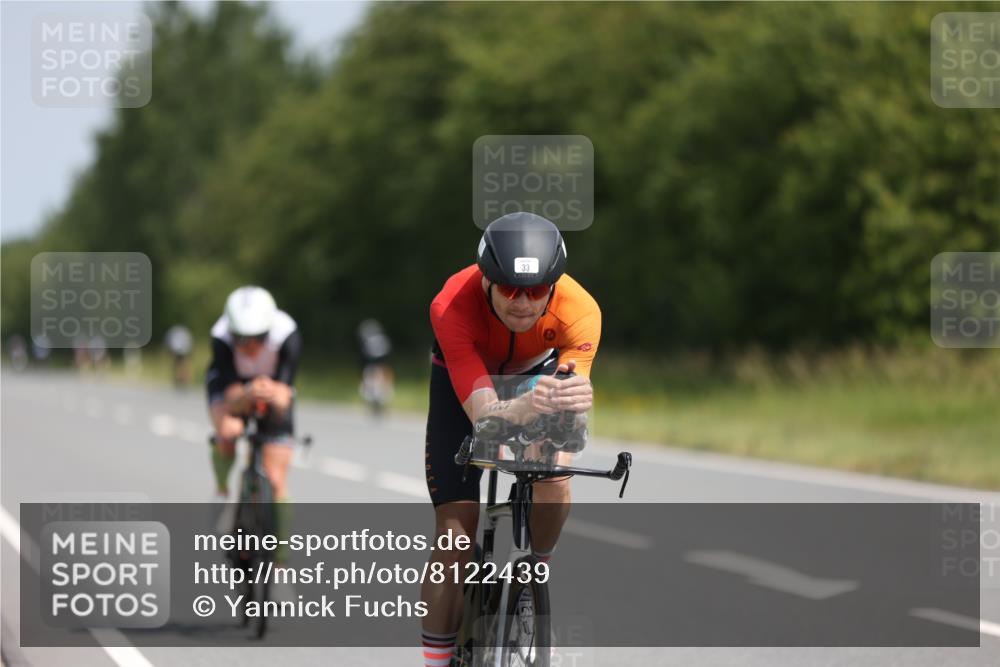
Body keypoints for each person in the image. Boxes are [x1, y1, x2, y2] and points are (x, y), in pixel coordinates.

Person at [420, 212, 600, 666]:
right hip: (464, 382)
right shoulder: (451, 304)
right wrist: (520, 409)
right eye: (509, 290)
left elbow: (568, 399)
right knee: (454, 538)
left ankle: (536, 575)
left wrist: (570, 401)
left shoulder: (582, 312)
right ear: (487, 281)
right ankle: (435, 661)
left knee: (555, 470)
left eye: (536, 290)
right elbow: (484, 418)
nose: (522, 303)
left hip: (536, 376)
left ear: (553, 287)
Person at [205, 286, 301, 555]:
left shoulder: (287, 333)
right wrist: (247, 395)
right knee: (229, 430)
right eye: (241, 339)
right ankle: (222, 490)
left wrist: (271, 394)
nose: (249, 347)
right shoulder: (220, 336)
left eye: (257, 339)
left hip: (273, 386)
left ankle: (281, 569)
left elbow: (284, 395)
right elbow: (232, 396)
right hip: (233, 388)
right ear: (230, 331)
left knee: (277, 477)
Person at [357, 318, 394, 416]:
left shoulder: (368, 342)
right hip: (380, 367)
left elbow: (364, 358)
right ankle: (379, 406)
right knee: (379, 388)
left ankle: (376, 406)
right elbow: (388, 355)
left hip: (372, 367)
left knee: (372, 387)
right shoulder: (383, 339)